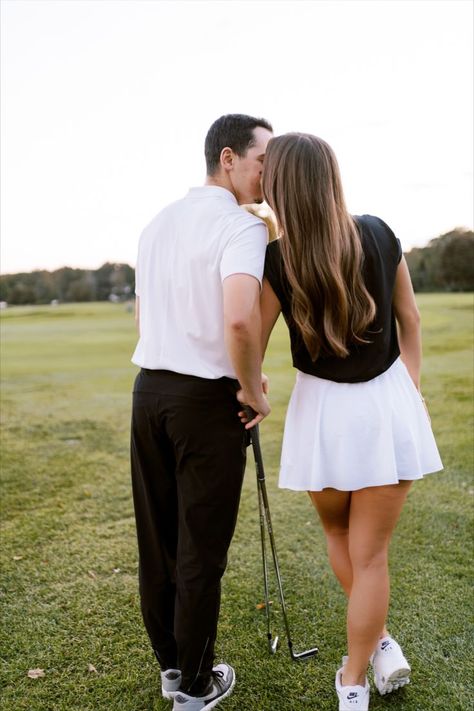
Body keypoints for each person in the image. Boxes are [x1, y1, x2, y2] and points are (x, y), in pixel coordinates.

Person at [252, 133, 443, 711]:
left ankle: (364, 662)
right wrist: (408, 387)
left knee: (341, 537)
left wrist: (248, 389)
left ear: (279, 185)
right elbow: (410, 320)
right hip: (385, 404)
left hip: (323, 412)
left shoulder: (275, 258)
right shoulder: (379, 232)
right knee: (372, 557)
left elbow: (251, 345)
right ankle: (357, 675)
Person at [130, 114, 272, 711]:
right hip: (204, 403)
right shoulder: (243, 227)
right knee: (200, 550)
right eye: (264, 158)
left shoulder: (157, 222)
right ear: (229, 158)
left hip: (149, 395)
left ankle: (172, 669)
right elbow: (240, 318)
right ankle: (193, 688)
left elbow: (142, 319)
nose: (271, 170)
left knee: (159, 541)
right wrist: (254, 390)